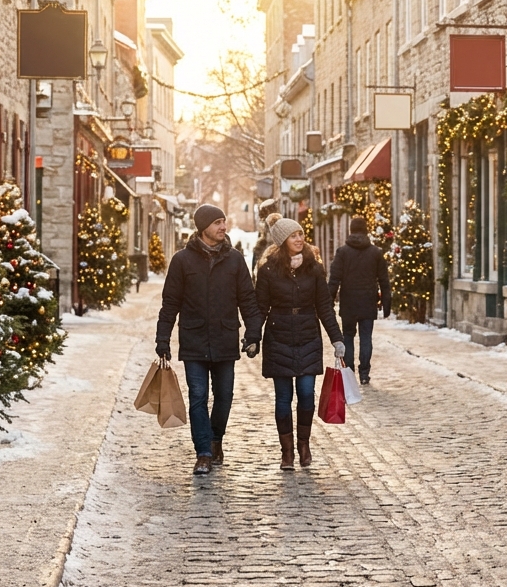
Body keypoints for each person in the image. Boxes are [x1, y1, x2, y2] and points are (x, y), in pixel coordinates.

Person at [156, 204, 263, 476]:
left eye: (224, 222)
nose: (223, 227)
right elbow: (170, 303)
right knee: (198, 396)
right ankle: (203, 452)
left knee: (224, 396)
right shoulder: (182, 261)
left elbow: (247, 299)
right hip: (194, 339)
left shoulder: (235, 259)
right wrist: (163, 339)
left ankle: (216, 439)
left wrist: (253, 332)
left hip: (225, 337)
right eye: (217, 223)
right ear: (203, 227)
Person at [254, 214, 343, 470]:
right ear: (283, 240)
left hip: (307, 334)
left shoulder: (313, 268)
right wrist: (252, 337)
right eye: (294, 235)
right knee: (283, 397)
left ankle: (304, 444)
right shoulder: (268, 269)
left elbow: (325, 307)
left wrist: (336, 338)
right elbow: (260, 307)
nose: (299, 238)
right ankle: (287, 452)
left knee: (305, 394)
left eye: (301, 234)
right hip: (278, 334)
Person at [329, 217, 391, 385]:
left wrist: (328, 301)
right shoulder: (375, 253)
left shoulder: (342, 252)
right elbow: (384, 280)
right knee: (366, 338)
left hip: (348, 302)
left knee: (347, 337)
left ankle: (349, 374)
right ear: (365, 230)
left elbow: (334, 279)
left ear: (350, 230)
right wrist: (386, 304)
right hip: (368, 301)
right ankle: (364, 373)